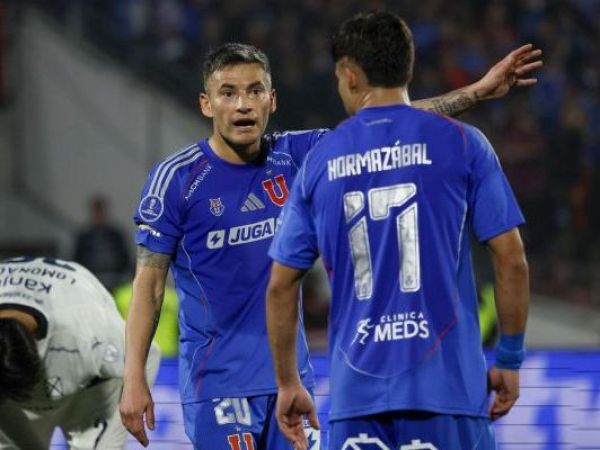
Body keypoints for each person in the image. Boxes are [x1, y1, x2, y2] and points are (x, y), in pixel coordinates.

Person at [120, 39, 540, 449]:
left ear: (272, 100)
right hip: (218, 387)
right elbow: (149, 286)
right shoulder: (177, 179)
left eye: (255, 91)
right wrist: (134, 376)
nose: (243, 105)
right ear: (206, 104)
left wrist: (476, 93)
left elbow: (390, 119)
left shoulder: (297, 156)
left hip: (291, 382)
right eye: (228, 93)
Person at [267, 12, 530, 450]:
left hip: (357, 398)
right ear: (408, 66)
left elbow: (280, 285)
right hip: (449, 392)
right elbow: (511, 259)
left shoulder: (320, 161)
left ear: (350, 75)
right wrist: (510, 357)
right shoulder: (464, 144)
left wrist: (288, 382)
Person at [0, 256, 160, 450]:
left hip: (89, 389)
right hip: (16, 396)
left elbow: (149, 354)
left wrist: (124, 413)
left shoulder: (87, 330)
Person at [73, 195, 132, 292]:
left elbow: (126, 260)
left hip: (116, 280)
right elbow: (77, 261)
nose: (99, 215)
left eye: (101, 211)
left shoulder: (116, 235)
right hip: (91, 281)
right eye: (97, 211)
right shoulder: (84, 237)